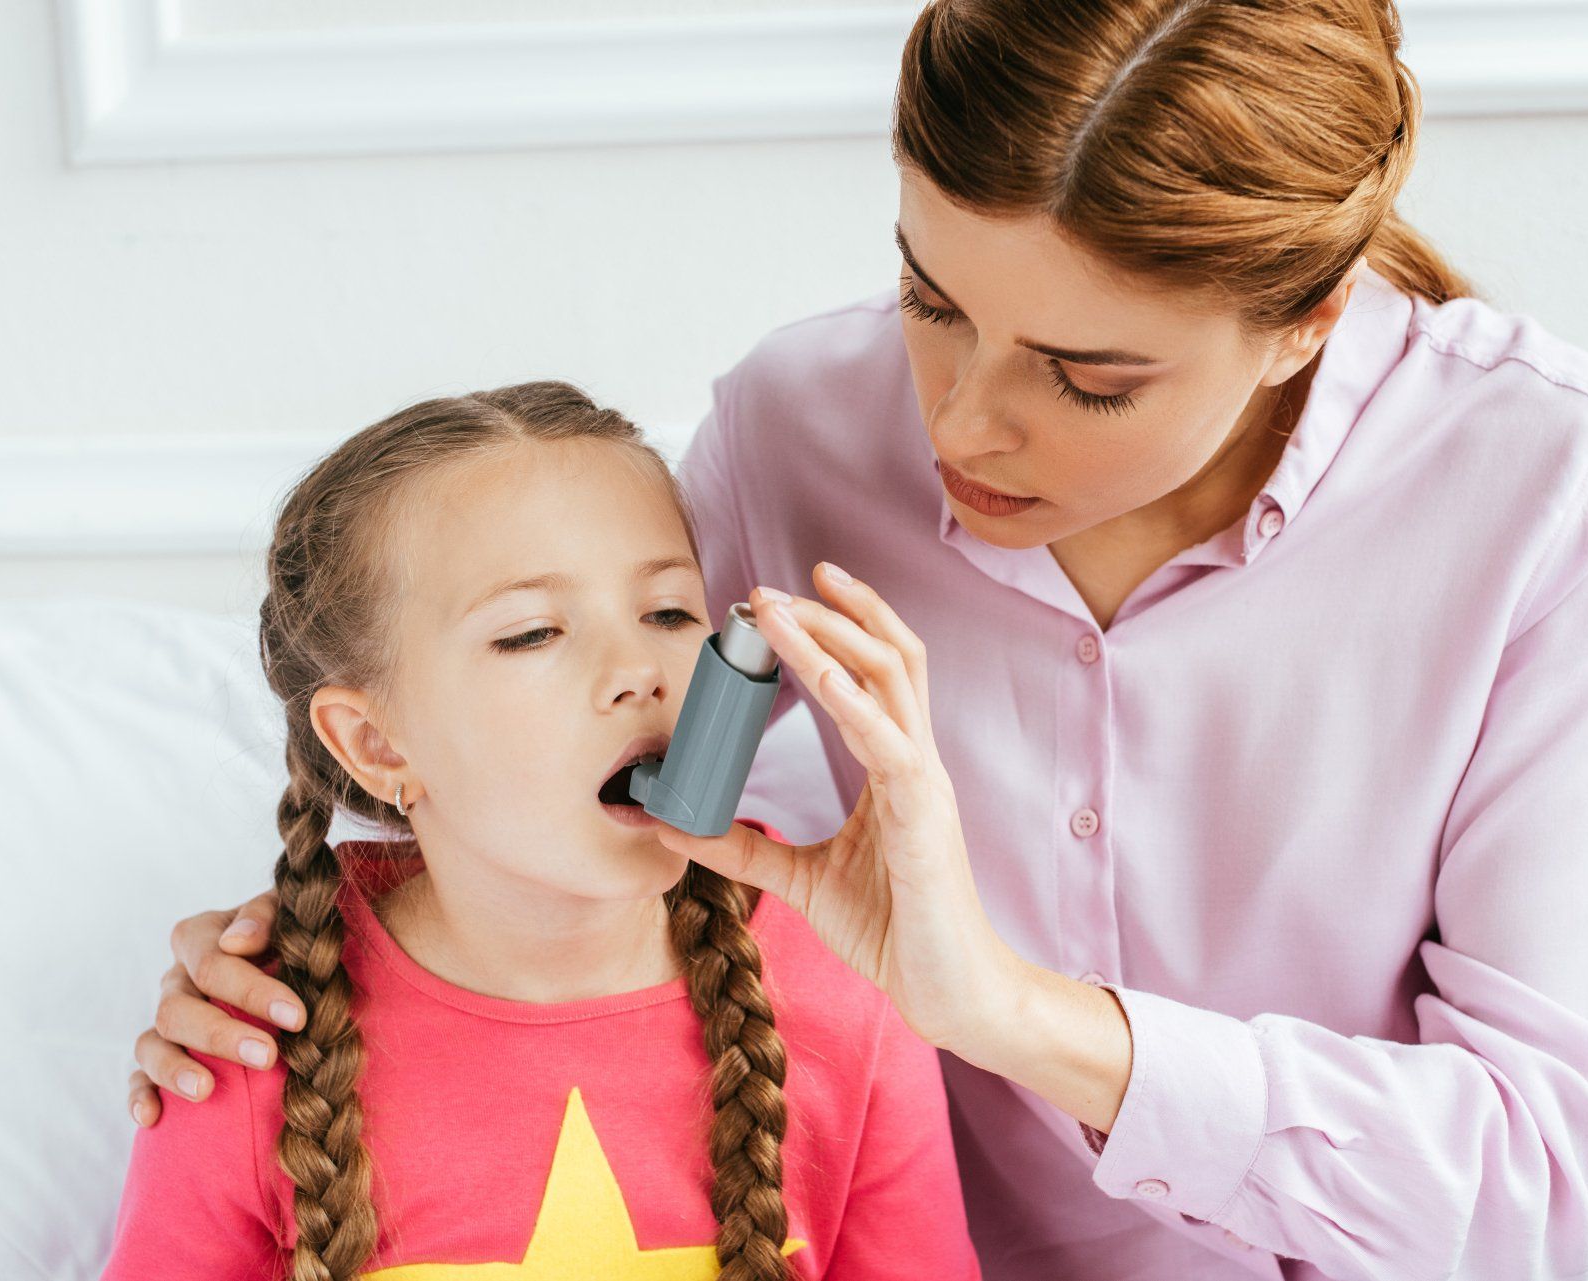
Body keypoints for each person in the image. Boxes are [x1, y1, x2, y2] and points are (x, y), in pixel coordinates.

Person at [128, 2, 1588, 1277]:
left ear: (1309, 314)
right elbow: (559, 728)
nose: (962, 423)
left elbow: (1538, 1182)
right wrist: (323, 920)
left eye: (1088, 377)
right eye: (932, 298)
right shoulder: (799, 429)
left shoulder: (1538, 471)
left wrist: (1001, 1008)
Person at [104, 383, 979, 1279]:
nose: (637, 669)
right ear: (375, 742)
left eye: (670, 612)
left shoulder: (848, 987)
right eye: (531, 633)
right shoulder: (246, 1040)